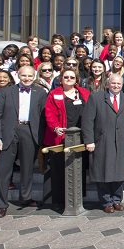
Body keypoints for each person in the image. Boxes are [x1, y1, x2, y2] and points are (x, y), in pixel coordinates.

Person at [0, 66, 47, 218]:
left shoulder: (40, 93)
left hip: (29, 132)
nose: (27, 78)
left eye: (30, 76)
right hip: (8, 133)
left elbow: (44, 117)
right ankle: (1, 204)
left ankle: (26, 197)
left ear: (34, 76)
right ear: (17, 75)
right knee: (2, 170)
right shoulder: (6, 92)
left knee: (27, 168)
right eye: (24, 76)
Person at [82, 74, 124, 213]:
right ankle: (106, 202)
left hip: (122, 142)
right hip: (102, 141)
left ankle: (117, 200)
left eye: (118, 83)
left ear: (122, 85)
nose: (116, 86)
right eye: (113, 83)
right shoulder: (96, 98)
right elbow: (87, 121)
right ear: (108, 84)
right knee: (103, 172)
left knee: (119, 172)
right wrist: (89, 140)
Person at [43, 68, 90, 208]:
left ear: (76, 79)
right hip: (61, 135)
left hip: (80, 136)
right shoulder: (54, 94)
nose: (69, 79)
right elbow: (49, 113)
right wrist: (56, 128)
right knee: (59, 169)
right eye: (66, 77)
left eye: (72, 77)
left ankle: (77, 197)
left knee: (78, 167)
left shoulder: (84, 93)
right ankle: (60, 200)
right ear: (61, 79)